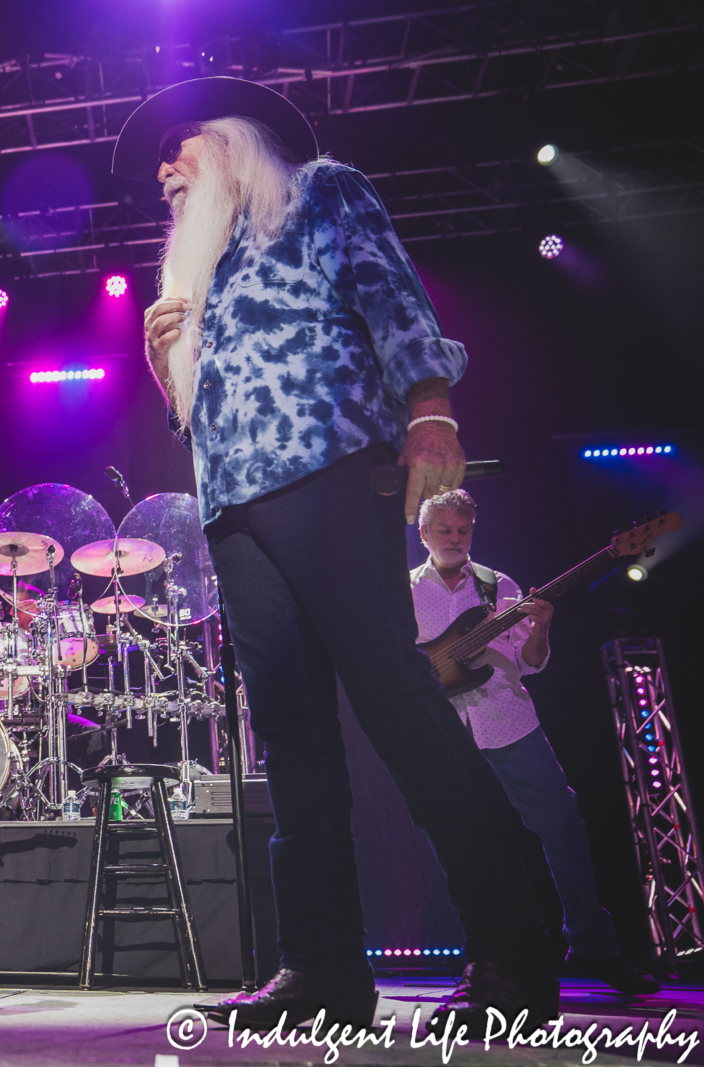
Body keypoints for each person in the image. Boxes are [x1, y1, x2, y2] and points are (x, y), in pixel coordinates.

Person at [116, 77, 557, 1031]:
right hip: (234, 504)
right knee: (293, 739)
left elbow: (391, 295)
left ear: (231, 143)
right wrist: (166, 373)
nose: (164, 173)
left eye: (176, 149)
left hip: (330, 465)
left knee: (398, 703)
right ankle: (319, 969)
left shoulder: (317, 191)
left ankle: (512, 952)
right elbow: (205, 410)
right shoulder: (205, 272)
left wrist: (430, 407)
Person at [413, 489, 660, 996]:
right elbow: (398, 664)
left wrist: (541, 628)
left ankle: (595, 947)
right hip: (446, 732)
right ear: (425, 535)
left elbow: (530, 663)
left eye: (464, 530)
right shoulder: (404, 592)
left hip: (508, 721)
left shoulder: (495, 585)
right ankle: (487, 960)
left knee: (563, 824)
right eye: (446, 530)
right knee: (467, 846)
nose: (456, 539)